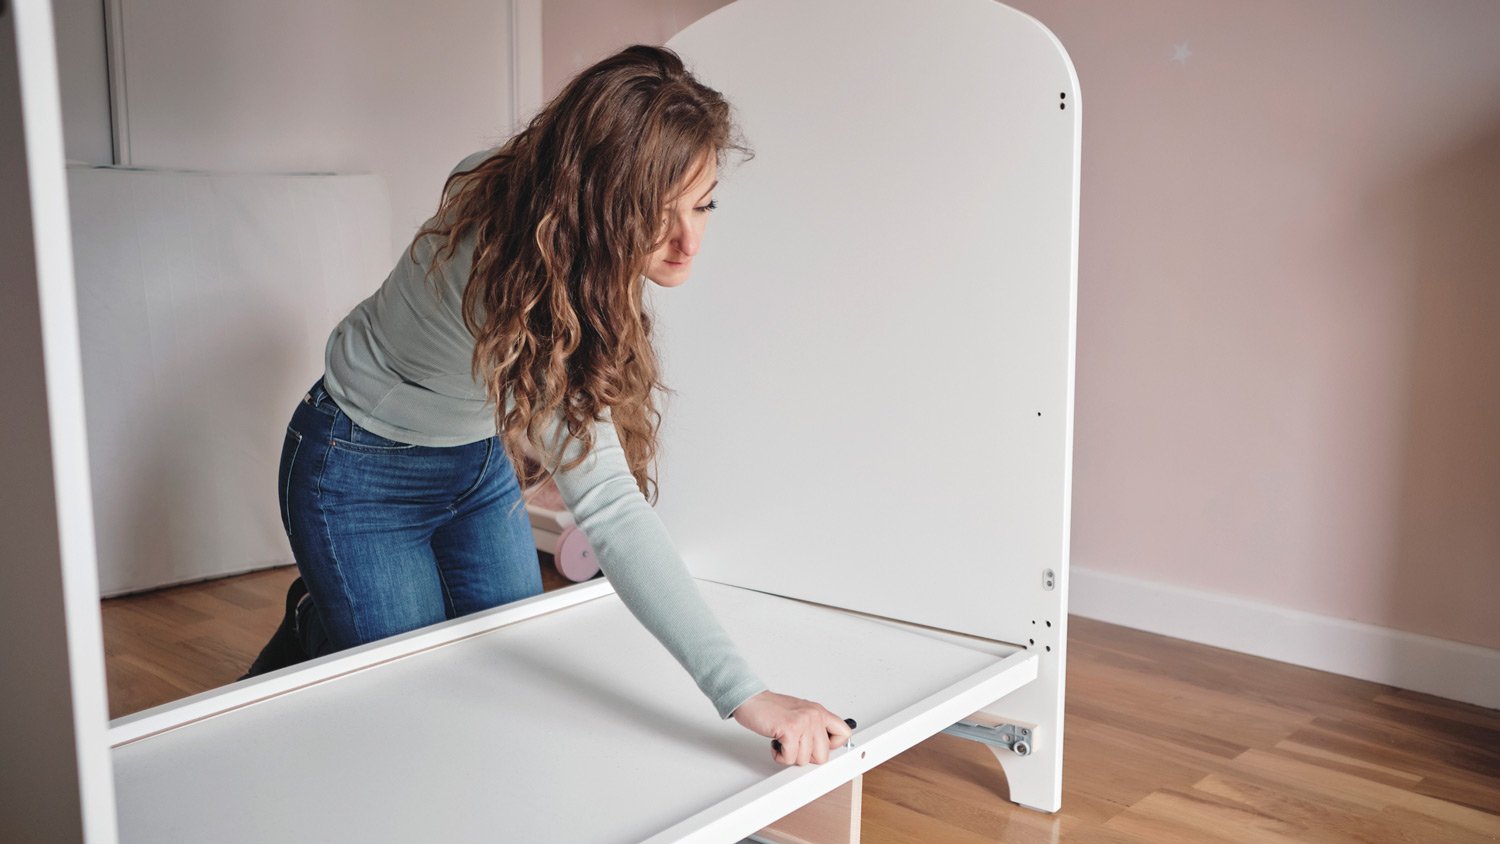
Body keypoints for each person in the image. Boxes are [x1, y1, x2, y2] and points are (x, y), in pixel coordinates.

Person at [242, 45, 851, 767]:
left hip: (473, 464)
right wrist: (747, 694)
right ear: (598, 199)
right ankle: (320, 623)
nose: (690, 240)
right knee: (414, 706)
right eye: (658, 214)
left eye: (705, 202)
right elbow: (611, 509)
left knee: (513, 672)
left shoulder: (560, 210)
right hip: (358, 468)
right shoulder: (513, 271)